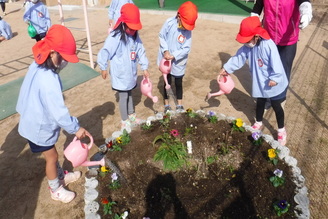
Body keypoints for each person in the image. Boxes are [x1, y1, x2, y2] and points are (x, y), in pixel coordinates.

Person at [16, 25, 91, 203]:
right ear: (51, 53)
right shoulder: (49, 80)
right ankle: (55, 189)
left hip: (32, 118)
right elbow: (59, 113)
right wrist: (76, 128)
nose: (65, 62)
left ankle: (59, 177)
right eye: (63, 57)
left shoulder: (36, 64)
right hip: (37, 126)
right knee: (52, 157)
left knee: (52, 153)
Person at [218, 16, 288, 146]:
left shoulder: (268, 45)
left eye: (247, 39)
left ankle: (281, 130)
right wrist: (227, 68)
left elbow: (277, 63)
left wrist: (275, 78)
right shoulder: (248, 47)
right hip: (260, 81)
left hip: (273, 82)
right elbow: (238, 57)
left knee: (276, 105)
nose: (246, 43)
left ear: (256, 36)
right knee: (260, 101)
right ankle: (259, 122)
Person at [97, 3, 150, 130]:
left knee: (130, 92)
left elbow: (140, 51)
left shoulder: (135, 36)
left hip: (130, 73)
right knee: (124, 95)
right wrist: (103, 67)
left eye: (135, 28)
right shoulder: (115, 36)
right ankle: (124, 120)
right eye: (131, 27)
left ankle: (131, 115)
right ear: (123, 23)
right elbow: (105, 51)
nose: (133, 30)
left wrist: (145, 67)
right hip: (120, 73)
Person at [251, 0, 312, 108]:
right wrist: (253, 21)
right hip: (268, 38)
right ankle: (269, 97)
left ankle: (280, 98)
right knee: (267, 70)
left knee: (283, 70)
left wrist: (307, 13)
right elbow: (257, 8)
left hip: (288, 39)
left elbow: (304, 2)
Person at [157, 1, 198, 113]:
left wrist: (174, 55)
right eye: (184, 24)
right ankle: (166, 104)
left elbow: (186, 48)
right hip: (166, 60)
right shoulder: (169, 23)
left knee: (178, 82)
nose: (186, 28)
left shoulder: (188, 31)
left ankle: (179, 104)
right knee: (167, 82)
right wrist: (165, 51)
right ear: (179, 16)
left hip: (179, 61)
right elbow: (161, 36)